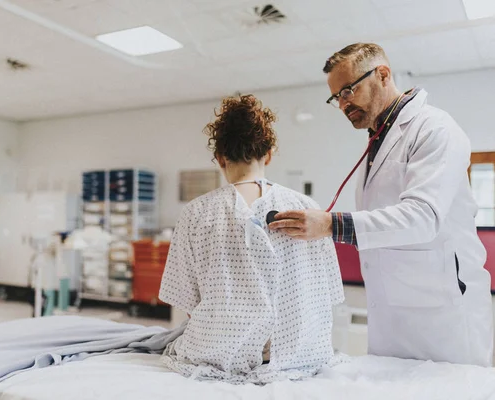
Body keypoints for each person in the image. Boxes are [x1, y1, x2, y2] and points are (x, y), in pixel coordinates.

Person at [269, 43, 494, 367]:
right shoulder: (378, 141)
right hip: (394, 311)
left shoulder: (435, 129)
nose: (344, 104)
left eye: (348, 90)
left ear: (383, 74)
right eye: (337, 98)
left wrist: (331, 224)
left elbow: (423, 216)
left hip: (444, 316)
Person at [158, 94, 345, 383]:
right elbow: (328, 293)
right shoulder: (307, 208)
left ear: (220, 158)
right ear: (268, 154)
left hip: (219, 354)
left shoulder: (196, 212)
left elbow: (186, 300)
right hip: (294, 355)